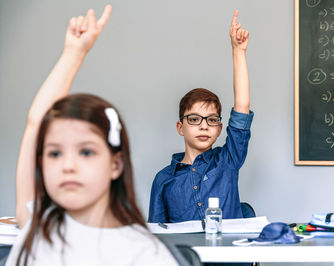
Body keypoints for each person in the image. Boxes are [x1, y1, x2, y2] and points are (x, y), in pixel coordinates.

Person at [7, 5, 178, 266]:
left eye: (86, 151)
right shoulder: (36, 227)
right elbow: (35, 126)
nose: (68, 165)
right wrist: (73, 53)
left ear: (115, 164)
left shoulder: (146, 255)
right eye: (54, 153)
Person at [148, 10, 253, 223]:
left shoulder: (227, 161)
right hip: (188, 257)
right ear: (180, 127)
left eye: (212, 120)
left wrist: (238, 52)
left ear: (219, 129)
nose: (204, 126)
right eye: (195, 119)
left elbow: (242, 106)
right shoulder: (164, 180)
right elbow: (158, 236)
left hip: (228, 256)